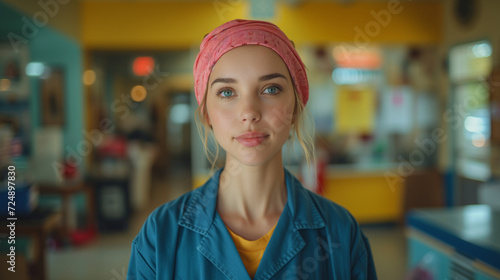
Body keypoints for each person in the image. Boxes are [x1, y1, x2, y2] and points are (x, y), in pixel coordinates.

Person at [127, 19, 377, 280]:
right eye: (226, 92)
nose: (249, 113)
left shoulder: (340, 234)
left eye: (271, 89)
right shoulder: (159, 236)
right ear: (206, 114)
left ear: (296, 106)